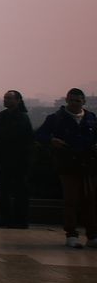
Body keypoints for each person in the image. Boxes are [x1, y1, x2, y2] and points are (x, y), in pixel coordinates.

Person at [36, 88, 96, 248]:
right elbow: (39, 135)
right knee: (71, 200)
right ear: (66, 101)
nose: (74, 103)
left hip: (88, 164)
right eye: (71, 100)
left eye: (78, 101)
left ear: (83, 101)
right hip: (67, 164)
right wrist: (52, 140)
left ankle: (92, 235)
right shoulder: (56, 118)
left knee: (90, 201)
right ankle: (71, 234)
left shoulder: (90, 118)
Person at [0, 90, 33, 229]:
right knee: (3, 190)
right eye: (5, 98)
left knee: (20, 191)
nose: (5, 100)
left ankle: (20, 219)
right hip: (3, 159)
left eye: (9, 98)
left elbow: (14, 135)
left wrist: (2, 135)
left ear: (18, 100)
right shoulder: (3, 115)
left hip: (18, 160)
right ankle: (5, 217)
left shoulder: (22, 117)